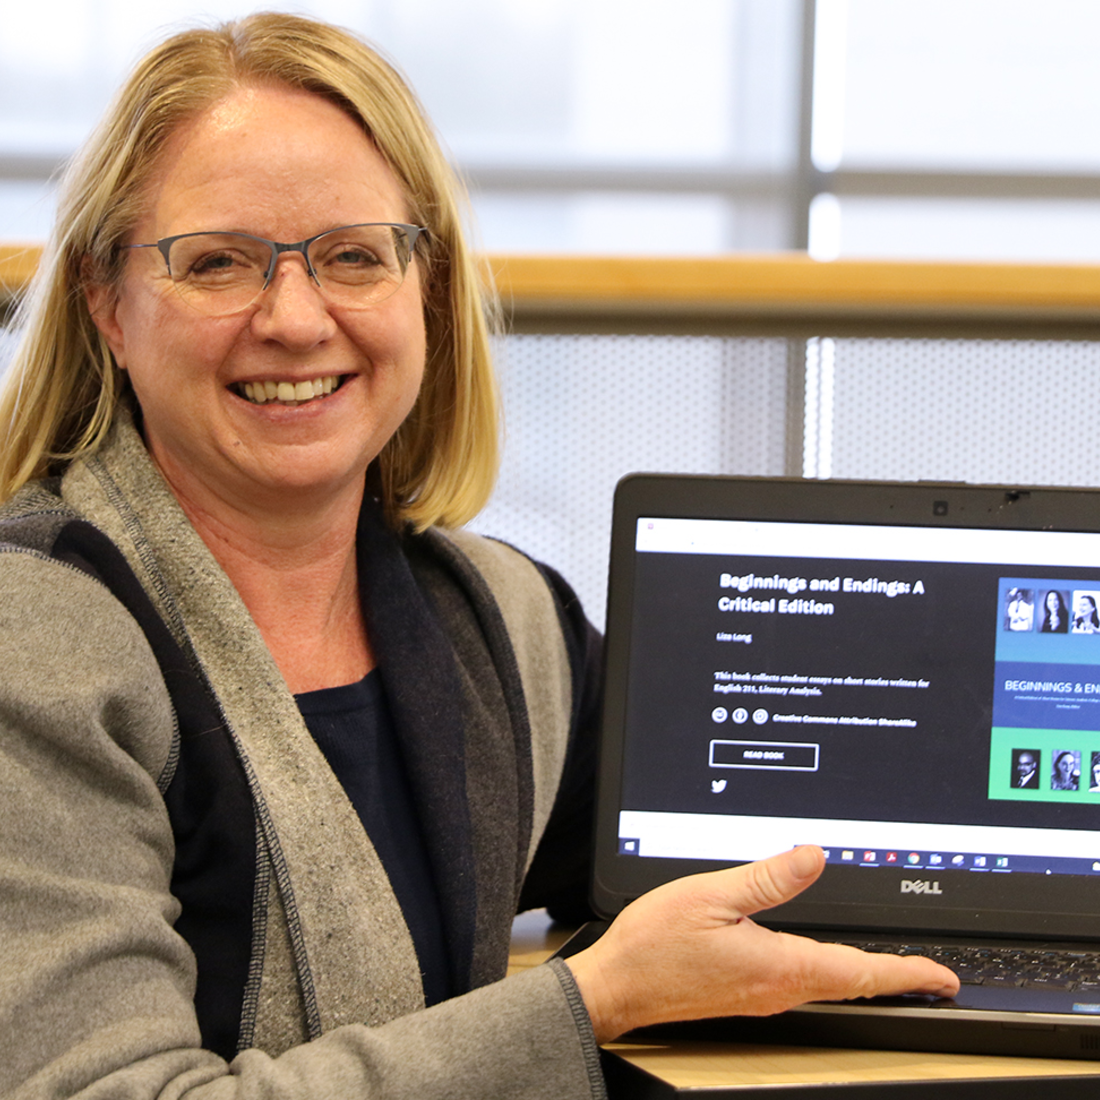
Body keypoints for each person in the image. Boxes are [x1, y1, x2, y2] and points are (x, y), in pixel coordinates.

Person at [0, 14, 957, 1098]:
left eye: (353, 256)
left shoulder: (500, 621)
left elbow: (745, 862)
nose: (296, 320)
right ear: (106, 303)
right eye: (218, 262)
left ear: (428, 287)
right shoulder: (36, 646)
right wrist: (590, 1003)